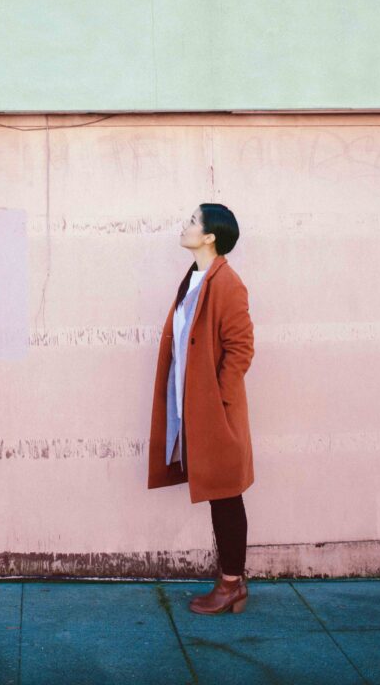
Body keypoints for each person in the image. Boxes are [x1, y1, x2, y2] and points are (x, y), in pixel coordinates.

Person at [147, 203, 255, 615]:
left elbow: (241, 349)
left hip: (215, 412)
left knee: (225, 494)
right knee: (220, 494)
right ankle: (232, 580)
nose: (185, 224)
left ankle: (232, 585)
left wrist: (220, 402)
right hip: (192, 406)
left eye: (193, 221)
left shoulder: (227, 283)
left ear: (210, 236)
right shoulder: (195, 279)